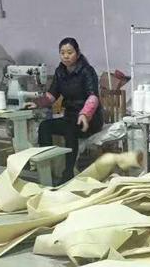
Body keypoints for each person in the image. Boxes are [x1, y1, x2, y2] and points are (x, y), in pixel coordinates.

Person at [29, 38, 103, 182]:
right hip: (70, 117)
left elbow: (93, 96)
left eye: (70, 52)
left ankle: (67, 173)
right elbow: (52, 95)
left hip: (90, 119)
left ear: (78, 53)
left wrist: (85, 114)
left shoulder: (87, 71)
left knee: (70, 130)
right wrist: (37, 103)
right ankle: (46, 168)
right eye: (62, 53)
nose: (66, 56)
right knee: (45, 126)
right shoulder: (60, 72)